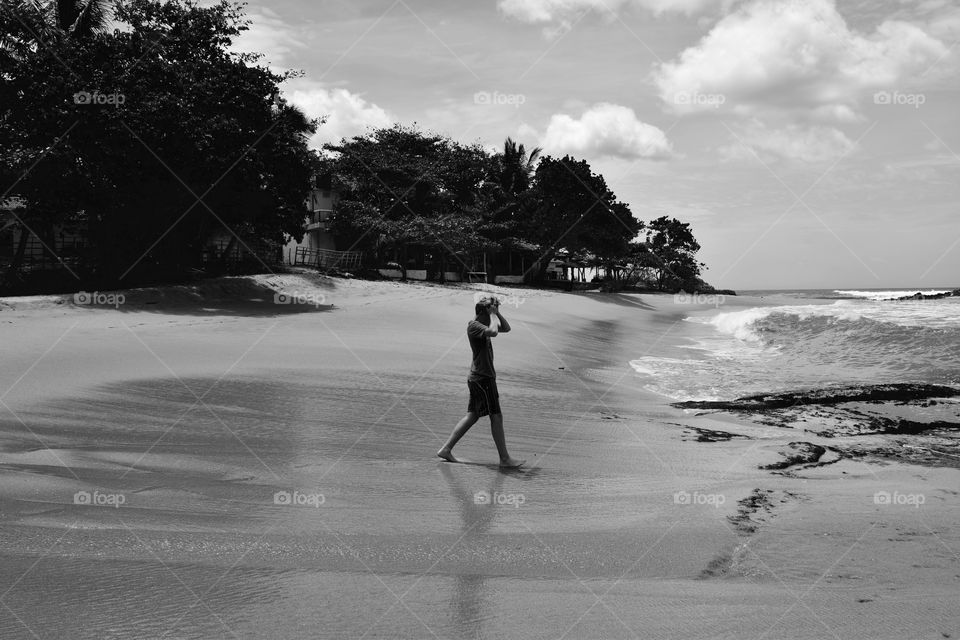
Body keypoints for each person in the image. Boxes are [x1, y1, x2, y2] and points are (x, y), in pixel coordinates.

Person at [437, 296, 525, 468]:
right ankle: (505, 459)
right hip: (482, 377)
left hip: (481, 377)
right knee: (496, 416)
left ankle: (446, 449)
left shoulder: (484, 325)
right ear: (483, 312)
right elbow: (494, 332)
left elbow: (506, 328)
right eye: (491, 311)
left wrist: (496, 313)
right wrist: (492, 315)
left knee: (473, 415)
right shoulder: (474, 326)